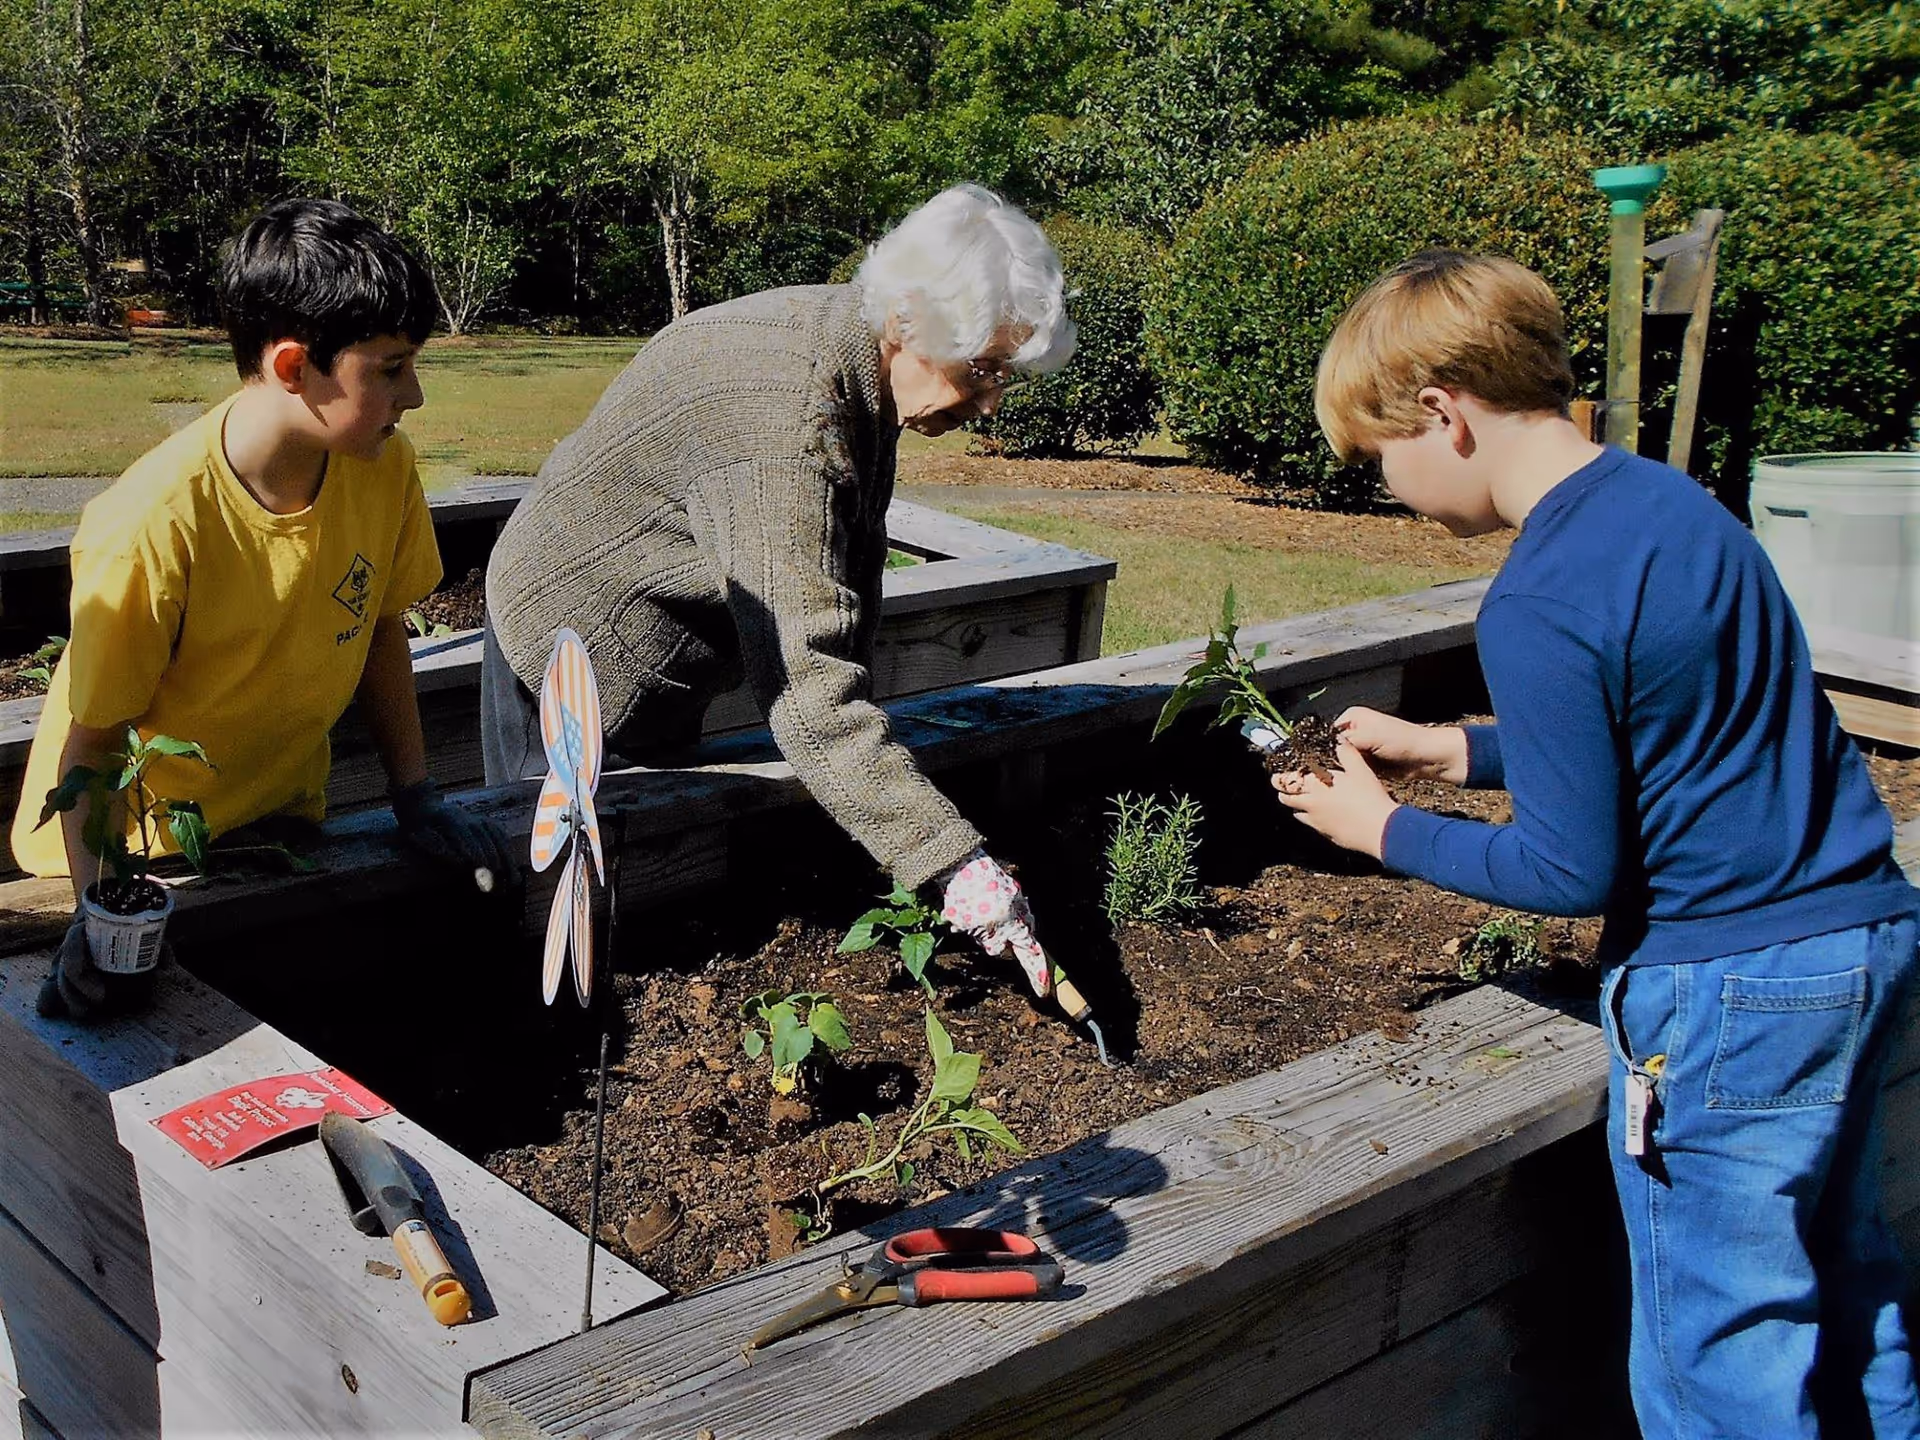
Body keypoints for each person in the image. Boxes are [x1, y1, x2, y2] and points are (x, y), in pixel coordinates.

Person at [1278, 248, 1920, 1436]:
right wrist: (1454, 748)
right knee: (1848, 1275)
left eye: (1381, 462)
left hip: (1730, 990)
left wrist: (1383, 829)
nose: (1390, 490)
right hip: (1861, 933)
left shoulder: (1537, 596)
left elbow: (1569, 871)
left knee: (1716, 1345)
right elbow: (1669, 714)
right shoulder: (1672, 508)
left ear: (1442, 414)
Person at [484, 184, 1074, 995]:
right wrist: (951, 860)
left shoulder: (857, 352)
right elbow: (808, 693)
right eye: (981, 370)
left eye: (1004, 374)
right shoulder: (784, 420)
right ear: (908, 322)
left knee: (643, 890)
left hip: (663, 643)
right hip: (568, 640)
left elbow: (839, 575)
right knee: (547, 906)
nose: (990, 400)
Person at [15, 198, 512, 1018]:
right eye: (389, 369)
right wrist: (99, 912)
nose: (414, 395)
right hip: (144, 858)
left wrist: (417, 794)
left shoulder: (379, 466)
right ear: (293, 368)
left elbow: (382, 626)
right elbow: (96, 746)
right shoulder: (149, 525)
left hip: (283, 829)